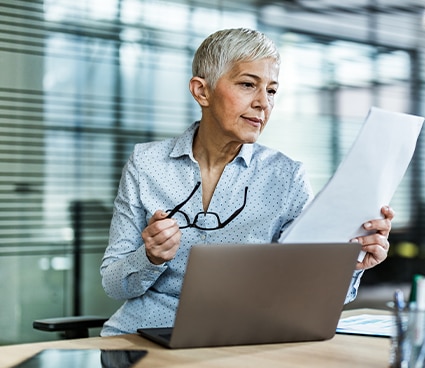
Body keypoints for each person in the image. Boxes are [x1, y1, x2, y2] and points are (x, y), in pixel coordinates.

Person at [100, 27, 394, 336]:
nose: (263, 103)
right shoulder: (146, 164)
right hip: (143, 334)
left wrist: (350, 264)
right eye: (247, 84)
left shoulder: (287, 177)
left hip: (240, 339)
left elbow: (306, 290)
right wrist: (150, 257)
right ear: (202, 91)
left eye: (271, 90)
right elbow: (113, 282)